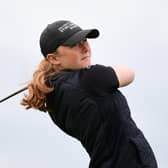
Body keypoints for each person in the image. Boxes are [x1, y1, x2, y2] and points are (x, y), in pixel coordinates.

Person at [21, 20, 158, 168]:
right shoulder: (90, 79)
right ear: (53, 58)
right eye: (74, 44)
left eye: (84, 40)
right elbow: (129, 73)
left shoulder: (52, 96)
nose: (85, 48)